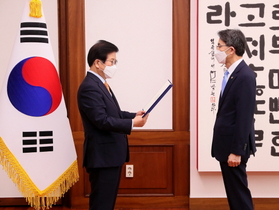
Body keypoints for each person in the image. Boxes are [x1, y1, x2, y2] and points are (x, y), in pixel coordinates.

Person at [77, 40, 149, 210]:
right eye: (111, 61)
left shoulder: (101, 84)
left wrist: (134, 115)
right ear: (98, 63)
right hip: (103, 156)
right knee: (102, 204)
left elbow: (113, 113)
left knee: (107, 203)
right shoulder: (90, 87)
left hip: (110, 155)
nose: (114, 65)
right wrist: (131, 124)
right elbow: (101, 120)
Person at [211, 29, 257, 210]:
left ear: (230, 50)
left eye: (219, 46)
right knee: (234, 194)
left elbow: (244, 117)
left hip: (234, 149)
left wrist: (237, 151)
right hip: (227, 145)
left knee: (239, 195)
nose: (216, 50)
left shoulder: (245, 76)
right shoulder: (231, 73)